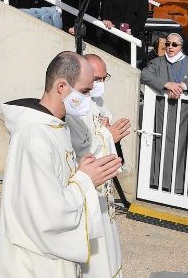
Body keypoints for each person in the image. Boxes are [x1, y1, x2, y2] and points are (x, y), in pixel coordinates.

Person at [0, 51, 122, 278]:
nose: (90, 99)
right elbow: (47, 212)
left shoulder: (57, 126)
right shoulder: (34, 136)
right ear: (62, 87)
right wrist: (85, 180)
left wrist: (81, 170)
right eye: (85, 91)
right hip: (33, 263)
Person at [66, 54, 130, 278]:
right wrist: (106, 135)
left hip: (103, 188)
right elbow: (78, 151)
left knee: (107, 235)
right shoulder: (73, 107)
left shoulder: (98, 102)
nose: (100, 85)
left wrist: (111, 134)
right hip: (86, 186)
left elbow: (105, 126)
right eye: (97, 79)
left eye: (104, 79)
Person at [140, 32, 188, 195]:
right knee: (160, 146)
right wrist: (167, 84)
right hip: (163, 112)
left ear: (181, 46)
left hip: (186, 115)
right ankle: (157, 183)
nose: (170, 47)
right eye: (167, 44)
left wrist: (182, 86)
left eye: (174, 45)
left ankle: (181, 186)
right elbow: (145, 74)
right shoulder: (157, 62)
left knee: (184, 148)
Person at [101, 0, 149, 64]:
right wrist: (106, 20)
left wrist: (132, 31)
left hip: (131, 36)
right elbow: (105, 12)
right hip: (112, 36)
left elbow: (142, 18)